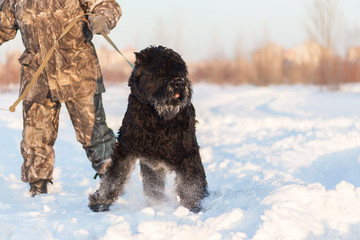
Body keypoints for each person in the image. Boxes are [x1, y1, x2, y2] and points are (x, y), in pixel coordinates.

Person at [0, 0, 122, 196]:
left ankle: (115, 183)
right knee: (35, 139)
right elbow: (2, 26)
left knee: (94, 134)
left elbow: (106, 5)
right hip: (37, 76)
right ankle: (37, 191)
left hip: (78, 71)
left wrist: (102, 19)